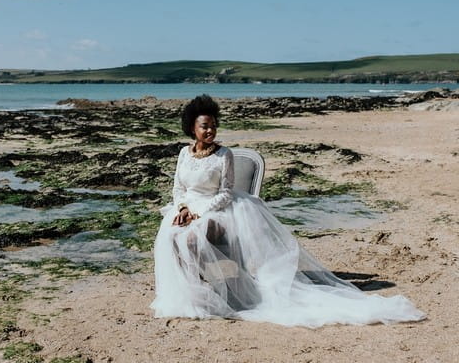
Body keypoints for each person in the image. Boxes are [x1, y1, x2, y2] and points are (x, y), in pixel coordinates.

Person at [150, 95, 425, 327]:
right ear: (192, 129)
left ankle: (214, 290)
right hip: (187, 207)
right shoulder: (184, 154)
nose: (210, 131)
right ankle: (193, 293)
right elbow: (178, 188)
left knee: (191, 240)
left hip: (218, 211)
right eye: (204, 127)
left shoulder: (225, 155)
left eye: (213, 126)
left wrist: (200, 213)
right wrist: (184, 208)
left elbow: (225, 192)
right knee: (169, 236)